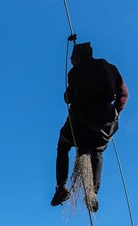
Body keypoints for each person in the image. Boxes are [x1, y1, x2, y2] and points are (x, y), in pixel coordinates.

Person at [51, 41, 128, 212]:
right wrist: (115, 112)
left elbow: (68, 98)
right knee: (97, 150)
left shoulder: (75, 72)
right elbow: (124, 94)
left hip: (81, 117)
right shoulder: (110, 67)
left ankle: (61, 187)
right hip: (105, 119)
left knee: (63, 144)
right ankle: (93, 193)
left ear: (78, 58)